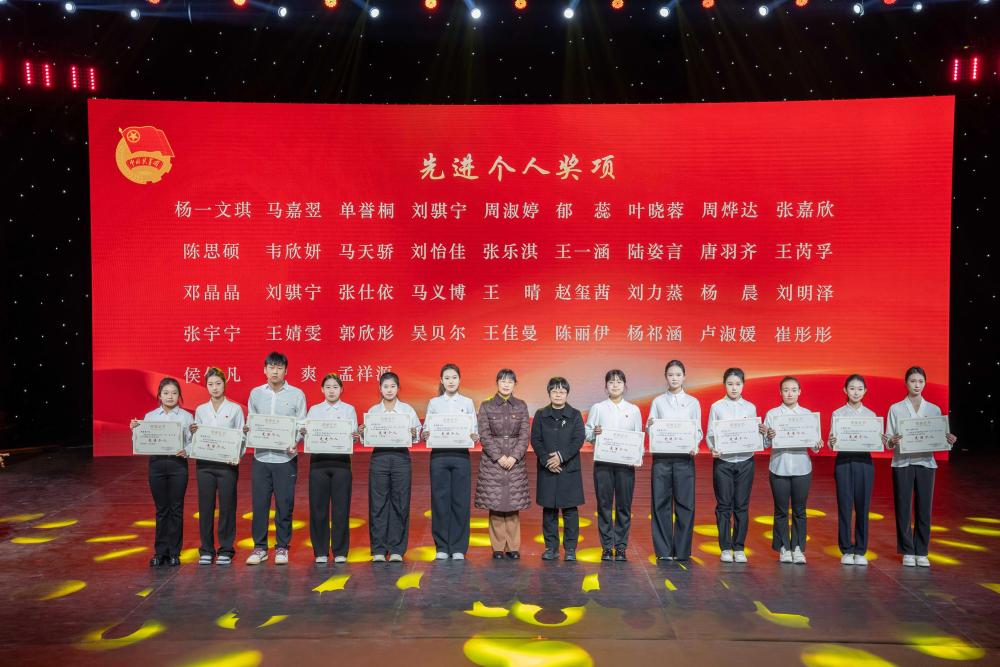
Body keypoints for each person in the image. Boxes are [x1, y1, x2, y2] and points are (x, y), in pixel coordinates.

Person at [886, 366, 958, 567]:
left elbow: (940, 438)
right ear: (906, 383)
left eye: (920, 381)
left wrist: (949, 440)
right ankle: (907, 551)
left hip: (926, 463)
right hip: (902, 462)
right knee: (903, 508)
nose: (917, 385)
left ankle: (922, 551)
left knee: (924, 508)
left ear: (924, 383)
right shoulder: (896, 408)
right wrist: (892, 440)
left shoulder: (933, 409)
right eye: (913, 381)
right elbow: (888, 440)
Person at [245, 351, 307, 566]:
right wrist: (250, 432)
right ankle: (260, 548)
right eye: (271, 367)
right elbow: (251, 421)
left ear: (285, 371)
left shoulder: (297, 394)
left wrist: (295, 441)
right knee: (260, 504)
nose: (275, 371)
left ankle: (282, 547)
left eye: (279, 368)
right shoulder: (256, 394)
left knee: (284, 504)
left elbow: (301, 424)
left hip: (285, 458)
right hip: (261, 457)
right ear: (265, 370)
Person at [131, 377, 193, 567]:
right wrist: (135, 430)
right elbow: (142, 442)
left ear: (179, 395)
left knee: (176, 509)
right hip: (157, 465)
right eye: (166, 393)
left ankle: (174, 552)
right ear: (159, 395)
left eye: (174, 393)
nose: (170, 396)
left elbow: (192, 441)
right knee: (161, 509)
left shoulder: (186, 417)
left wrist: (187, 451)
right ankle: (160, 552)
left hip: (178, 465)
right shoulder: (150, 416)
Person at [706, 368, 767, 563]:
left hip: (745, 461)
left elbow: (753, 433)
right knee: (724, 505)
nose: (734, 388)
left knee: (741, 505)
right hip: (723, 462)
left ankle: (739, 547)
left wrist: (760, 433)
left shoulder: (750, 407)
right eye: (730, 384)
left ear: (743, 385)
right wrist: (712, 448)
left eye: (738, 384)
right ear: (724, 384)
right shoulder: (717, 407)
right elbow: (710, 434)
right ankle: (725, 547)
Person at [763, 376, 823, 564]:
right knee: (781, 510)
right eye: (786, 390)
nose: (790, 393)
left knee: (800, 510)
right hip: (779, 467)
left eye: (794, 390)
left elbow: (814, 445)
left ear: (799, 392)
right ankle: (783, 547)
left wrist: (818, 444)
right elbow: (765, 444)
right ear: (780, 392)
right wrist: (769, 436)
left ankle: (798, 547)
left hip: (802, 467)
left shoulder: (807, 415)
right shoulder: (772, 414)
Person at [361, 372, 420, 562]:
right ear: (380, 388)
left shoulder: (407, 410)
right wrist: (363, 432)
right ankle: (378, 549)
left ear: (398, 388)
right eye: (385, 386)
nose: (389, 390)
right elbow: (365, 439)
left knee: (400, 503)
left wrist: (414, 433)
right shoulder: (373, 411)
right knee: (378, 504)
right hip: (379, 458)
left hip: (401, 458)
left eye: (393, 386)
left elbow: (417, 435)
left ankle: (396, 549)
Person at [646, 360, 702, 561]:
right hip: (661, 459)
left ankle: (682, 550)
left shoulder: (693, 402)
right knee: (660, 503)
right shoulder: (658, 402)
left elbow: (697, 430)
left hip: (684, 459)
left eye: (678, 374)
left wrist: (694, 444)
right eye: (671, 375)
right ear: (665, 377)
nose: (674, 378)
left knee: (685, 504)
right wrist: (650, 426)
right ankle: (663, 551)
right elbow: (650, 428)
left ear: (684, 377)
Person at [422, 364, 478, 560]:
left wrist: (474, 436)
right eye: (447, 378)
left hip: (461, 456)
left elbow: (474, 430)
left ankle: (458, 547)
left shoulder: (468, 402)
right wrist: (426, 433)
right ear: (441, 381)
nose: (451, 381)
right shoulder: (434, 403)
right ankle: (442, 547)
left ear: (459, 380)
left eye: (454, 377)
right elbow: (426, 429)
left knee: (460, 501)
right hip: (439, 456)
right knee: (439, 501)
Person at [302, 372, 359, 564]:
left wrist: (355, 436)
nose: (331, 391)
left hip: (341, 463)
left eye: (335, 387)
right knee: (318, 508)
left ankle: (340, 551)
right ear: (322, 389)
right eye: (328, 387)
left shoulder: (349, 410)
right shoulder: (314, 410)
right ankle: (320, 551)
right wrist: (305, 432)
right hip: (318, 463)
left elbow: (353, 435)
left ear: (341, 389)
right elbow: (307, 434)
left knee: (341, 508)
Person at [474, 369, 531, 560]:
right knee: (496, 504)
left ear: (515, 384)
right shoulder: (487, 406)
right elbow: (484, 435)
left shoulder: (521, 405)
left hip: (515, 462)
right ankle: (498, 547)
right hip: (493, 462)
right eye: (503, 381)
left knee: (513, 503)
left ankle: (513, 547)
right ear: (497, 383)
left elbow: (524, 435)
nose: (506, 385)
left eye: (510, 382)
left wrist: (514, 457)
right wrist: (499, 457)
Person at [585, 369, 642, 561]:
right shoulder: (598, 408)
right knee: (604, 506)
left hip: (626, 465)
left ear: (625, 386)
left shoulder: (633, 410)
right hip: (603, 464)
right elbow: (588, 432)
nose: (615, 385)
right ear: (606, 386)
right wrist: (595, 433)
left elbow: (638, 437)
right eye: (611, 382)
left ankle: (621, 547)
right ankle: (607, 547)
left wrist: (637, 455)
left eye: (619, 382)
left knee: (624, 506)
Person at [828, 374, 885, 566]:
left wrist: (880, 440)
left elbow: (875, 441)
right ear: (845, 390)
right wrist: (832, 441)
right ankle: (846, 549)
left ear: (865, 391)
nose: (856, 392)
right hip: (844, 461)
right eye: (852, 388)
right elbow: (831, 442)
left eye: (860, 389)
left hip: (864, 463)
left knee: (863, 506)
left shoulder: (871, 416)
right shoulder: (837, 414)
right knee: (844, 506)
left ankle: (860, 550)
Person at [190, 367, 245, 566]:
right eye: (210, 384)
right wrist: (193, 433)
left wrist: (236, 456)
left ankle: (226, 549)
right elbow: (197, 437)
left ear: (225, 384)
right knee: (205, 508)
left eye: (218, 383)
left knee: (227, 507)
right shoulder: (201, 410)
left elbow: (241, 436)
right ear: (206, 386)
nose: (215, 388)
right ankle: (206, 549)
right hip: (205, 465)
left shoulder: (235, 409)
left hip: (227, 465)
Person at [531, 377, 586, 561]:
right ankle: (551, 548)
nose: (558, 394)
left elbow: (578, 440)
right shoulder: (541, 414)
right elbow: (536, 439)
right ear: (549, 393)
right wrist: (547, 460)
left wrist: (561, 457)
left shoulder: (575, 414)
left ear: (567, 394)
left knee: (570, 511)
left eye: (562, 391)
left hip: (568, 468)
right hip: (547, 468)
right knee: (549, 511)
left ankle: (570, 549)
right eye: (554, 391)